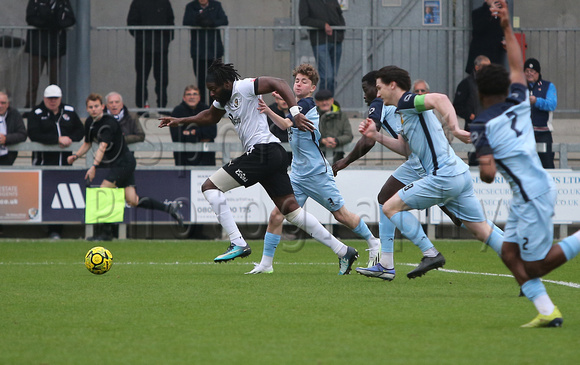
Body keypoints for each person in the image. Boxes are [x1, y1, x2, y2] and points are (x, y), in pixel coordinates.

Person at [159, 59, 359, 275]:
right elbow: (209, 116)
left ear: (226, 84)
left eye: (213, 89)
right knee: (291, 213)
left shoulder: (244, 86)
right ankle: (343, 250)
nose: (212, 94)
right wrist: (179, 121)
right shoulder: (223, 99)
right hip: (272, 154)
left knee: (209, 187)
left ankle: (237, 242)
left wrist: (295, 112)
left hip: (263, 152)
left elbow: (279, 83)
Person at [470, 0, 580, 328]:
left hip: (532, 195)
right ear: (506, 86)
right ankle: (547, 311)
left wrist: (482, 155)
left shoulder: (482, 126)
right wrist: (506, 25)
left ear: (478, 90)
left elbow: (488, 175)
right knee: (508, 254)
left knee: (535, 267)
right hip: (526, 194)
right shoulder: (518, 100)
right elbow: (517, 66)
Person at [357, 65, 504, 279]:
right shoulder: (402, 112)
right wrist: (376, 136)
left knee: (390, 207)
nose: (377, 94)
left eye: (379, 88)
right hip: (458, 175)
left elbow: (440, 99)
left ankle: (430, 253)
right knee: (482, 230)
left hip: (443, 176)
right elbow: (406, 149)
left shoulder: (408, 101)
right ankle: (526, 265)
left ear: (392, 85)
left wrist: (454, 128)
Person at [248, 63, 379, 274]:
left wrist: (267, 110)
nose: (299, 84)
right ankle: (266, 264)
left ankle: (374, 243)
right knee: (276, 215)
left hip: (317, 173)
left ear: (312, 88)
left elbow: (285, 124)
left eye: (304, 81)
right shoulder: (297, 105)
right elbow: (288, 109)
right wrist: (278, 100)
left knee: (341, 215)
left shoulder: (307, 105)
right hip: (298, 175)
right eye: (297, 80)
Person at [333, 71, 463, 281]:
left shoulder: (378, 103)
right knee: (384, 199)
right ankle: (386, 264)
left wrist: (343, 162)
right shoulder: (389, 103)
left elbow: (367, 141)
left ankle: (506, 243)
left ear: (378, 87)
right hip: (415, 160)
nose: (365, 95)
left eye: (366, 89)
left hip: (423, 163)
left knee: (465, 218)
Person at [68, 93, 183, 241]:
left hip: (124, 163)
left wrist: (93, 166)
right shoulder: (90, 122)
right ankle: (169, 208)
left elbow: (102, 146)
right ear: (87, 109)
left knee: (104, 191)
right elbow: (87, 143)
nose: (94, 109)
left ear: (102, 107)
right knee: (132, 200)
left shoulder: (108, 123)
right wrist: (76, 156)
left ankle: (105, 233)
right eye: (90, 107)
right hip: (120, 163)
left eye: (96, 106)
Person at [27, 84, 84, 239]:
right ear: (44, 98)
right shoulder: (36, 113)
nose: (53, 101)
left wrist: (70, 139)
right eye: (50, 98)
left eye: (55, 98)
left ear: (60, 98)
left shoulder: (70, 111)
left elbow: (80, 130)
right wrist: (56, 139)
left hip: (65, 163)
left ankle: (57, 229)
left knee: (61, 196)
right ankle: (46, 226)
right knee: (46, 195)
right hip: (43, 163)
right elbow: (33, 134)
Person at [24, 0, 76, 109]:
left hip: (55, 47)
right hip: (37, 46)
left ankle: (54, 107)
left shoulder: (62, 2)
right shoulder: (36, 1)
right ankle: (29, 107)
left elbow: (71, 19)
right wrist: (47, 23)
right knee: (33, 80)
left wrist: (57, 24)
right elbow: (30, 18)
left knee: (55, 81)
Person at [127, 0, 174, 108]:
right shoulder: (138, 3)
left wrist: (166, 40)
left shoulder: (164, 2)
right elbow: (131, 22)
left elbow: (170, 22)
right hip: (143, 49)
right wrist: (141, 39)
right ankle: (142, 107)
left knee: (162, 79)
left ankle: (162, 107)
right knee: (142, 79)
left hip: (161, 48)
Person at [183, 0, 229, 105]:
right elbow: (186, 21)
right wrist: (198, 21)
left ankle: (215, 106)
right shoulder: (191, 6)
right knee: (200, 80)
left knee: (215, 81)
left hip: (214, 50)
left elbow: (224, 20)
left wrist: (211, 22)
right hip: (198, 51)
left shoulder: (216, 5)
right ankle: (202, 106)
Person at [299, 0, 345, 94]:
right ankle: (322, 102)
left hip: (336, 40)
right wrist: (323, 25)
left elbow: (339, 15)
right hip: (320, 41)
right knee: (327, 76)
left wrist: (341, 32)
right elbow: (304, 19)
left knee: (333, 77)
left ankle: (328, 103)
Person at [453, 55, 491, 166]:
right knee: (475, 160)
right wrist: (470, 115)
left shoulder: (492, 84)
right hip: (473, 128)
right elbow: (457, 105)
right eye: (485, 66)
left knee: (489, 160)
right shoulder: (466, 84)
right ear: (477, 67)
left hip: (489, 128)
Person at [170, 85, 216, 166]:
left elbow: (212, 133)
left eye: (195, 94)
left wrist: (191, 133)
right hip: (184, 160)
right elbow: (177, 136)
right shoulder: (177, 112)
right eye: (189, 94)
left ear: (199, 97)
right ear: (184, 98)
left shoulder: (207, 110)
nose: (192, 97)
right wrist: (201, 135)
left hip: (206, 159)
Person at [524, 58, 557, 169]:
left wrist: (537, 101)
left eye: (532, 72)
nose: (530, 74)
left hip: (544, 133)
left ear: (538, 73)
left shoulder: (548, 86)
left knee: (547, 164)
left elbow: (552, 104)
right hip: (525, 134)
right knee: (526, 166)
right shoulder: (519, 87)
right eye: (527, 71)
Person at [465, 0, 506, 74]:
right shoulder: (477, 12)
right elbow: (478, 29)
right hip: (481, 56)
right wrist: (490, 12)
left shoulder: (502, 15)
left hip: (496, 58)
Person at [314, 89, 352, 162]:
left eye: (327, 100)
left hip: (338, 158)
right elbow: (309, 134)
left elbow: (348, 135)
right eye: (321, 100)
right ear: (317, 102)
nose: (324, 103)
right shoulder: (313, 116)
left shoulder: (342, 116)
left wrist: (336, 141)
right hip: (317, 158)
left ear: (332, 101)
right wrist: (322, 141)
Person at [413, 79, 454, 143]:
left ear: (428, 93)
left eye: (422, 91)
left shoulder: (438, 109)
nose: (420, 93)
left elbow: (448, 127)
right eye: (417, 91)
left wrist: (444, 141)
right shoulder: (410, 111)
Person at [0, 91, 27, 165]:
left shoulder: (14, 114)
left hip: (7, 158)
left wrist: (6, 139)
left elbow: (22, 134)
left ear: (8, 104)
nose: (0, 105)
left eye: (3, 103)